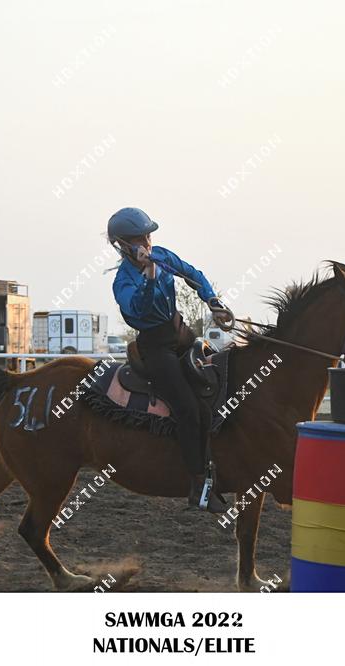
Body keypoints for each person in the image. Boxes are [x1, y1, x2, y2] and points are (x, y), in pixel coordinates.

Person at [108, 207, 230, 513]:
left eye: (148, 236)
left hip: (180, 334)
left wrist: (213, 300)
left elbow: (192, 274)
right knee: (188, 409)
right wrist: (149, 277)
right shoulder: (122, 282)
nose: (147, 243)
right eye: (140, 238)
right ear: (123, 245)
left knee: (221, 380)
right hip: (155, 348)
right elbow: (139, 309)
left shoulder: (161, 255)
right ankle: (198, 486)